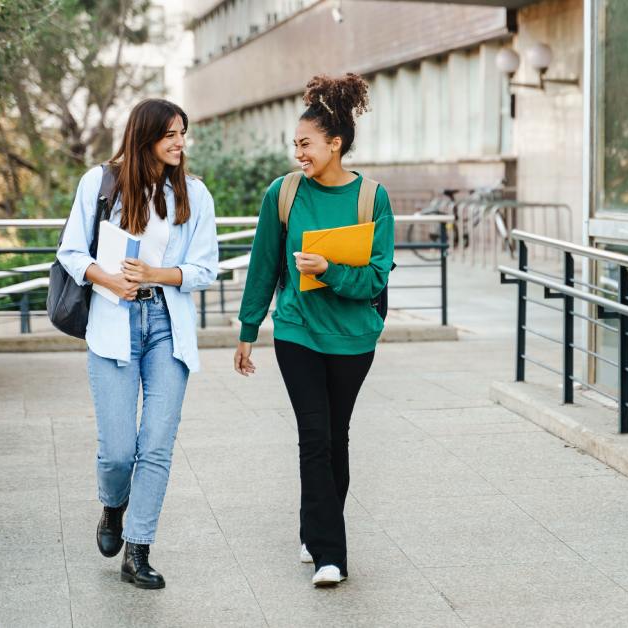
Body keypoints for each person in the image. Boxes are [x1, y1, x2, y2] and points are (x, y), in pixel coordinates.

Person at [234, 74, 394, 587]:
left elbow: (375, 276)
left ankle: (314, 528)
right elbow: (263, 265)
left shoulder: (373, 198)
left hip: (353, 338)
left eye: (305, 144)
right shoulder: (282, 194)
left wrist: (329, 270)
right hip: (297, 331)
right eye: (295, 144)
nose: (298, 153)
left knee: (336, 437)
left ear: (335, 144)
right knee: (314, 438)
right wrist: (248, 326)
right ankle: (331, 554)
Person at [56, 99, 218, 590]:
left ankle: (138, 550)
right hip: (112, 322)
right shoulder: (100, 182)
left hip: (167, 324)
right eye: (169, 133)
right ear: (143, 135)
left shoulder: (193, 193)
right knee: (118, 453)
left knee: (157, 447)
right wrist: (109, 279)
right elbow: (70, 251)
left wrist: (157, 275)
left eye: (182, 133)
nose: (179, 142)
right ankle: (113, 508)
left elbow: (204, 268)